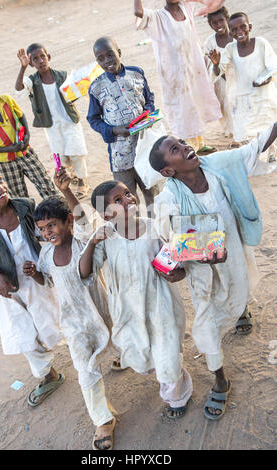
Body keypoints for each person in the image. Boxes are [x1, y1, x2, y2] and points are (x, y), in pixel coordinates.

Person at [149, 122, 277, 420]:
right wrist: (184, 264)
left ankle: (241, 308)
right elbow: (171, 243)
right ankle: (220, 380)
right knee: (206, 328)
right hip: (202, 274)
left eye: (181, 141)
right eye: (175, 150)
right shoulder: (168, 200)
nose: (185, 147)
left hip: (233, 253)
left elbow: (254, 146)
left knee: (238, 287)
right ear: (169, 171)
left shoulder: (218, 166)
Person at [79, 180, 193, 441]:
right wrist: (92, 243)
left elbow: (173, 258)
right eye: (117, 200)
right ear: (106, 214)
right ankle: (161, 370)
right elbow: (86, 272)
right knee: (140, 355)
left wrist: (178, 272)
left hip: (160, 304)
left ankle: (177, 396)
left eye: (127, 194)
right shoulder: (106, 236)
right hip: (128, 310)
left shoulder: (152, 227)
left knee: (167, 355)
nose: (128, 199)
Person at [23, 169, 116, 450]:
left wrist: (65, 191)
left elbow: (85, 222)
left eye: (52, 225)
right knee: (85, 370)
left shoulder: (82, 242)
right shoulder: (46, 254)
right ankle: (102, 419)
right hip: (73, 323)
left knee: (120, 345)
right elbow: (47, 279)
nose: (47, 232)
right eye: (42, 229)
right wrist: (34, 275)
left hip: (102, 312)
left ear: (68, 222)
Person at [0, 164, 64, 408]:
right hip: (10, 287)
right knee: (23, 330)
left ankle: (86, 353)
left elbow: (43, 233)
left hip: (36, 277)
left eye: (0, 181)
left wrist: (45, 261)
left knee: (53, 318)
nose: (0, 189)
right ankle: (49, 375)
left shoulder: (25, 205)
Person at [133, 0, 222, 154]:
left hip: (192, 67)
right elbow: (138, 13)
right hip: (174, 74)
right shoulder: (158, 17)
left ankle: (200, 144)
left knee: (195, 103)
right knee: (183, 108)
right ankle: (189, 146)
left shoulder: (185, 7)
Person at [87, 36, 159, 214]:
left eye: (110, 55)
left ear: (119, 53)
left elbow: (149, 99)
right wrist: (113, 130)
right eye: (100, 58)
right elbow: (93, 119)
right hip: (121, 155)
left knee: (153, 195)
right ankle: (138, 234)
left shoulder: (137, 73)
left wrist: (147, 114)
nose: (107, 61)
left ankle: (159, 232)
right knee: (127, 200)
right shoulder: (96, 87)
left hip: (145, 147)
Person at [15, 44, 89, 199]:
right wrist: (22, 69)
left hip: (69, 121)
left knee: (76, 152)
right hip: (51, 126)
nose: (40, 61)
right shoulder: (32, 81)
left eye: (42, 56)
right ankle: (69, 176)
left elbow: (74, 93)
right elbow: (19, 89)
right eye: (35, 59)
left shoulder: (62, 75)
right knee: (59, 156)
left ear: (48, 57)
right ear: (31, 64)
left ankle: (82, 180)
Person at [209, 12, 277, 157]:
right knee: (246, 131)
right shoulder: (230, 49)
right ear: (231, 32)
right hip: (244, 98)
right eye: (234, 29)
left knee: (268, 126)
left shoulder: (261, 43)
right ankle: (255, 156)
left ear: (250, 27)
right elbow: (219, 70)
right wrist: (215, 64)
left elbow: (273, 66)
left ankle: (272, 155)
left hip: (265, 95)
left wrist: (264, 79)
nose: (239, 32)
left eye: (243, 27)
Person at [0, 77, 57, 199]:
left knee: (45, 184)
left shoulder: (6, 100)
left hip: (25, 151)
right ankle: (28, 218)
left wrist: (27, 136)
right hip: (5, 162)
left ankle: (57, 213)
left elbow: (21, 116)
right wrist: (10, 148)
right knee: (18, 196)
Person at [204, 7, 234, 137]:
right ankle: (233, 133)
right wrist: (216, 64)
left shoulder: (237, 34)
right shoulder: (210, 42)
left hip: (241, 78)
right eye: (214, 23)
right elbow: (213, 71)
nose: (218, 25)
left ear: (227, 19)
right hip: (222, 81)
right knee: (227, 108)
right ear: (210, 25)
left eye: (221, 20)